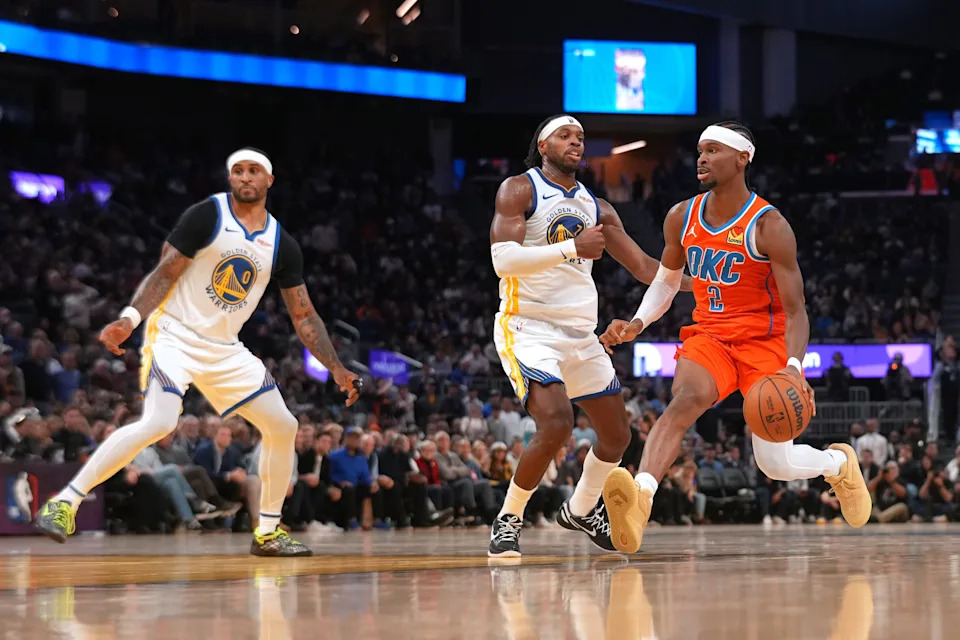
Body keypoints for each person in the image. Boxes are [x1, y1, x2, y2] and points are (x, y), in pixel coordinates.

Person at [34, 148, 360, 556]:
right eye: (237, 171)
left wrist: (336, 367)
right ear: (230, 178)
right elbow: (165, 271)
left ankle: (269, 533)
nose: (244, 177)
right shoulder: (207, 215)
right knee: (159, 421)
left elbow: (304, 313)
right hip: (175, 334)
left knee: (284, 426)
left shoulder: (282, 244)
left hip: (225, 348)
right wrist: (130, 318)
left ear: (269, 181)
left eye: (253, 171)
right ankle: (65, 501)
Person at [599, 122, 871, 553]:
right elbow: (668, 283)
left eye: (713, 150)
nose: (701, 159)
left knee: (774, 463)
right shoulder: (680, 216)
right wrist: (636, 323)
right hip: (711, 336)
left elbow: (797, 310)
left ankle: (837, 464)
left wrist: (794, 369)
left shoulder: (769, 226)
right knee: (683, 402)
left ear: (743, 158)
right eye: (699, 151)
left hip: (765, 341)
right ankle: (640, 499)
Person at [486, 114, 691, 557]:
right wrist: (571, 248)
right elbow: (503, 260)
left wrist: (708, 283)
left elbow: (644, 268)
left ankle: (580, 508)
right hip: (529, 327)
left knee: (618, 435)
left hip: (581, 334)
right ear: (543, 145)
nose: (575, 142)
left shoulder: (598, 207)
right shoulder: (520, 189)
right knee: (557, 422)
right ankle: (509, 518)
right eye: (565, 135)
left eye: (581, 137)